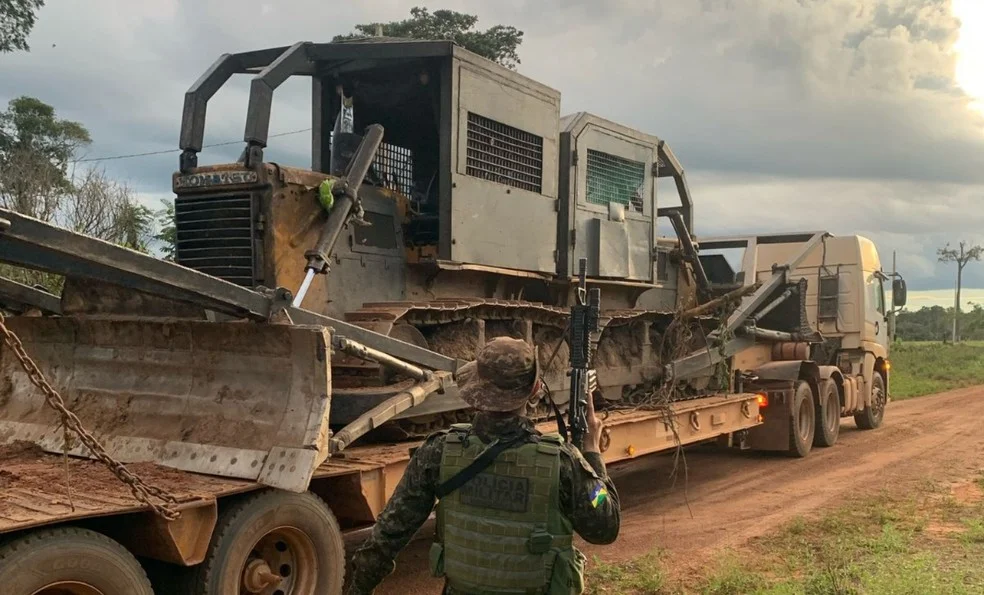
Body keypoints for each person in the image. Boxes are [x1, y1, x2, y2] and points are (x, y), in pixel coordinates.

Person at [345, 336, 620, 595]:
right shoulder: (562, 463)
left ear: (475, 388)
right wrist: (592, 453)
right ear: (535, 390)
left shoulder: (438, 452)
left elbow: (385, 539)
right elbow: (605, 526)